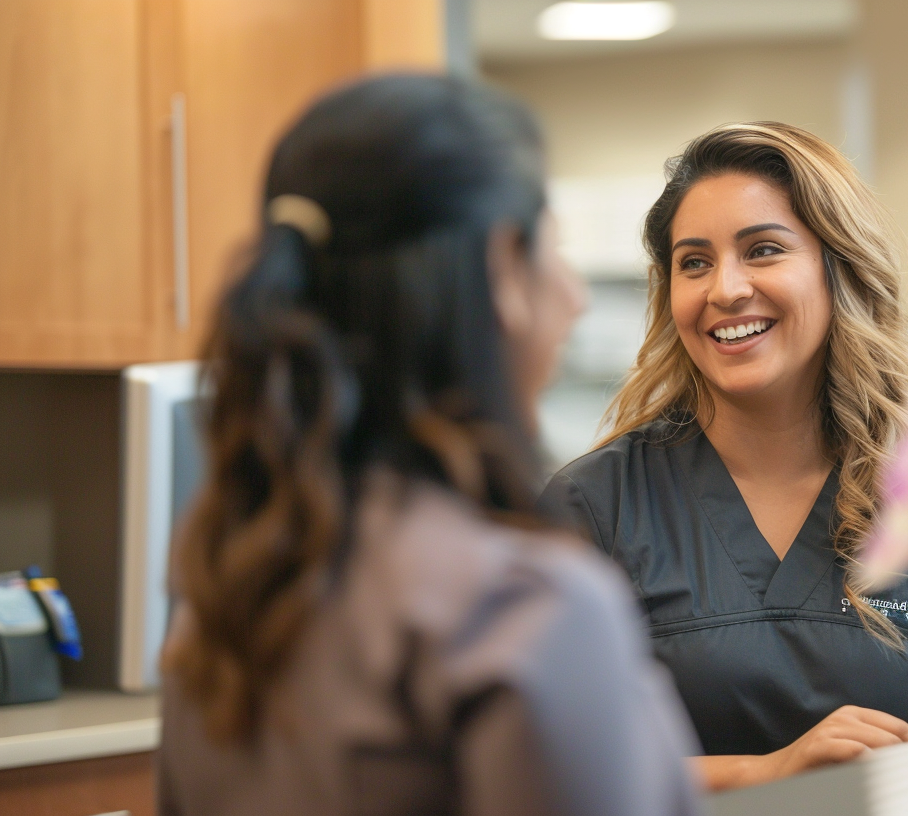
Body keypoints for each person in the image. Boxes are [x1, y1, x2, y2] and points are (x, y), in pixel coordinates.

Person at [158, 74, 702, 816]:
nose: (574, 295)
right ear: (503, 269)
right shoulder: (525, 609)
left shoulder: (228, 601)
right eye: (554, 250)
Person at [537, 122, 908, 792]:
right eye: (694, 262)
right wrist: (766, 775)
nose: (724, 289)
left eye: (763, 250)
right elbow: (551, 774)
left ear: (839, 266)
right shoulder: (593, 507)